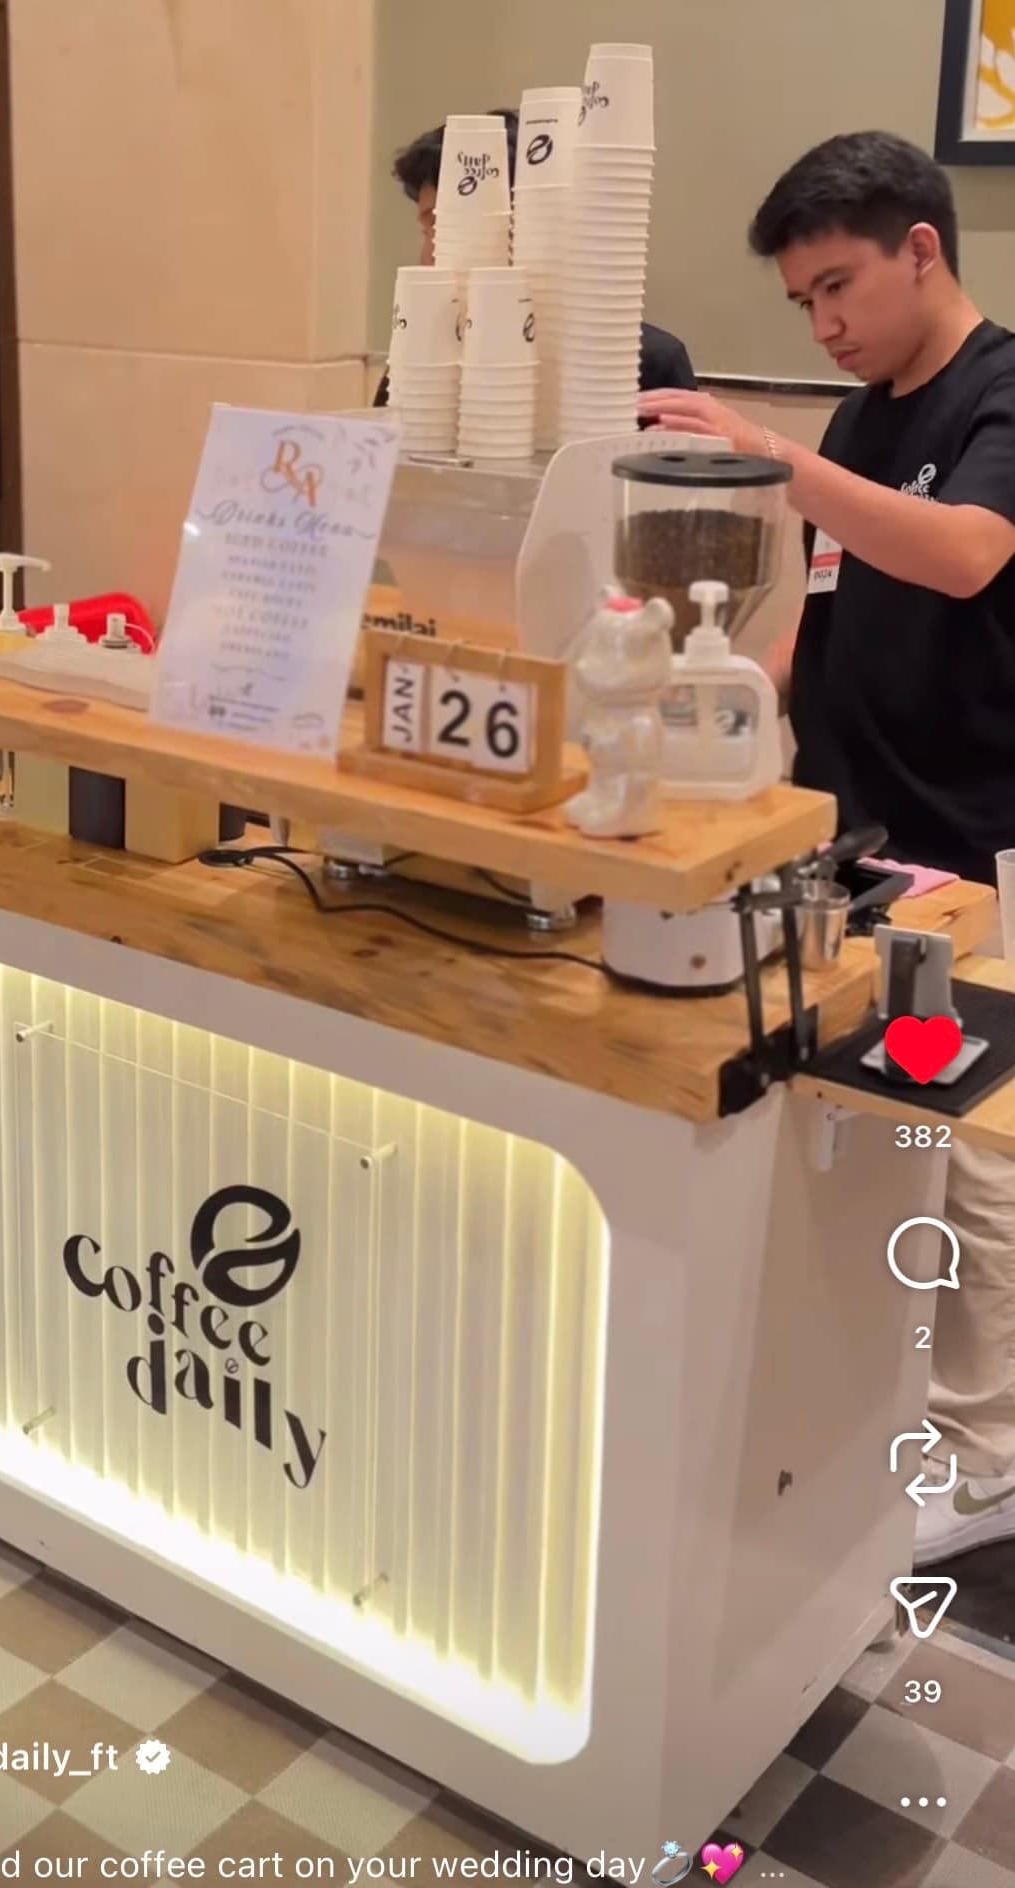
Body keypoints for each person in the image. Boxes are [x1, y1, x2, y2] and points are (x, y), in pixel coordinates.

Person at [639, 131, 1015, 1568]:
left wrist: (774, 456)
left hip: (980, 847)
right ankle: (898, 1412)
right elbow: (831, 611)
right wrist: (726, 721)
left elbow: (968, 551)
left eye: (839, 287)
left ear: (925, 247)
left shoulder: (999, 389)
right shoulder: (866, 414)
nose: (825, 324)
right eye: (803, 304)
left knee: (978, 1158)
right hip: (867, 838)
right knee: (885, 1138)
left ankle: (990, 1456)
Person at [377, 110, 697, 404]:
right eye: (428, 229)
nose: (431, 255)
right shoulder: (420, 355)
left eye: (446, 226)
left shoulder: (646, 363)